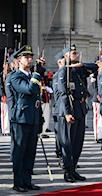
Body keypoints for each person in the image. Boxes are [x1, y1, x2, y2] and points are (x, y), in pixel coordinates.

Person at [57, 44, 97, 182]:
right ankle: (67, 171)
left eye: (76, 53)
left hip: (80, 108)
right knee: (68, 142)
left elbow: (94, 67)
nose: (77, 55)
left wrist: (77, 65)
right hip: (70, 109)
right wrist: (67, 113)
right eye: (73, 53)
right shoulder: (63, 72)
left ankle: (73, 169)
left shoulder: (79, 70)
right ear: (66, 55)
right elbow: (63, 94)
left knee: (78, 142)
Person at [10, 45, 42, 192]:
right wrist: (36, 75)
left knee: (30, 152)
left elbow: (36, 96)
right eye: (26, 57)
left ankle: (27, 180)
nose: (30, 60)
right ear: (18, 61)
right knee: (19, 152)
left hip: (32, 118)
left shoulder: (31, 77)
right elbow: (29, 90)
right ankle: (18, 182)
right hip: (21, 119)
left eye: (31, 57)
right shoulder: (16, 76)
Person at [52, 51, 65, 167]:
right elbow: (57, 95)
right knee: (60, 135)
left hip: (64, 109)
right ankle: (61, 156)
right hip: (59, 109)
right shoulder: (58, 75)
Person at [91, 56, 102, 143]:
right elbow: (93, 87)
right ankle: (97, 135)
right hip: (97, 98)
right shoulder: (94, 74)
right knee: (97, 117)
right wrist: (98, 95)